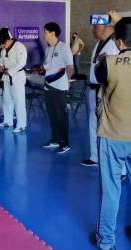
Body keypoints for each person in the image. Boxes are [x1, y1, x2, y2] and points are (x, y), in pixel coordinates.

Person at [90, 16, 131, 250]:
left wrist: (106, 55)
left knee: (111, 190)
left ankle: (106, 242)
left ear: (118, 41)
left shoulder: (109, 63)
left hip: (112, 135)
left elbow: (95, 78)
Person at [80, 12, 119, 167]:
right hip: (93, 89)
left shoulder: (116, 43)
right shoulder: (98, 44)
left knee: (111, 126)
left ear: (107, 26)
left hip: (107, 90)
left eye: (96, 26)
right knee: (93, 122)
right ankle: (95, 156)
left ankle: (120, 168)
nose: (93, 29)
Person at [41, 22, 73, 154]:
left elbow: (70, 67)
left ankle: (65, 143)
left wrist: (66, 82)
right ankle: (55, 139)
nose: (44, 34)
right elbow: (48, 66)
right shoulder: (48, 49)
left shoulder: (64, 48)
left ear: (52, 33)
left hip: (60, 88)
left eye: (45, 32)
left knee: (61, 116)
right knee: (52, 114)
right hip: (48, 87)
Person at [0, 27, 27, 133]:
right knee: (7, 100)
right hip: (6, 77)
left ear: (8, 40)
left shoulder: (20, 47)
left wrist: (9, 71)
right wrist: (0, 65)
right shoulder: (4, 48)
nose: (3, 47)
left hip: (17, 76)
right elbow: (1, 59)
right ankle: (8, 121)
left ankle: (21, 124)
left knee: (19, 101)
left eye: (4, 44)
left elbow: (21, 63)